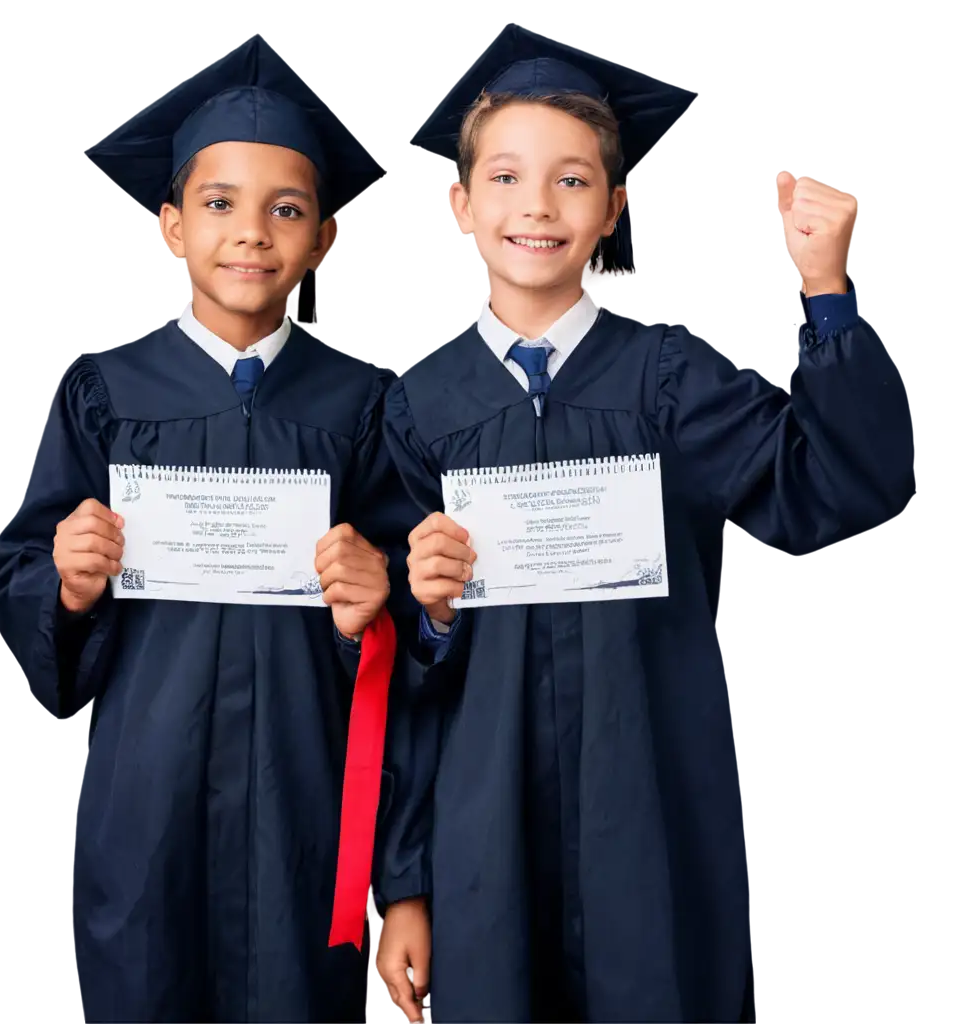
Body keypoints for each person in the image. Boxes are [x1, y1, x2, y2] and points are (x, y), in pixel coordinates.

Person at [373, 24, 915, 1024]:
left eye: (572, 181)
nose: (535, 206)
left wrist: (827, 292)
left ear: (614, 210)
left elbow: (829, 486)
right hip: (480, 829)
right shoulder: (415, 407)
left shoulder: (663, 380)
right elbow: (390, 676)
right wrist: (399, 881)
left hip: (647, 805)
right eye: (504, 177)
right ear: (458, 207)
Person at [0, 33, 405, 1023]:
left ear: (322, 240)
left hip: (307, 806)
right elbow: (20, 585)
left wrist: (380, 589)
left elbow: (420, 619)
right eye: (218, 204)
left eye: (285, 208)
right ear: (170, 228)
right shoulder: (103, 391)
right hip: (148, 806)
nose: (250, 232)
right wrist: (66, 583)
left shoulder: (364, 404)